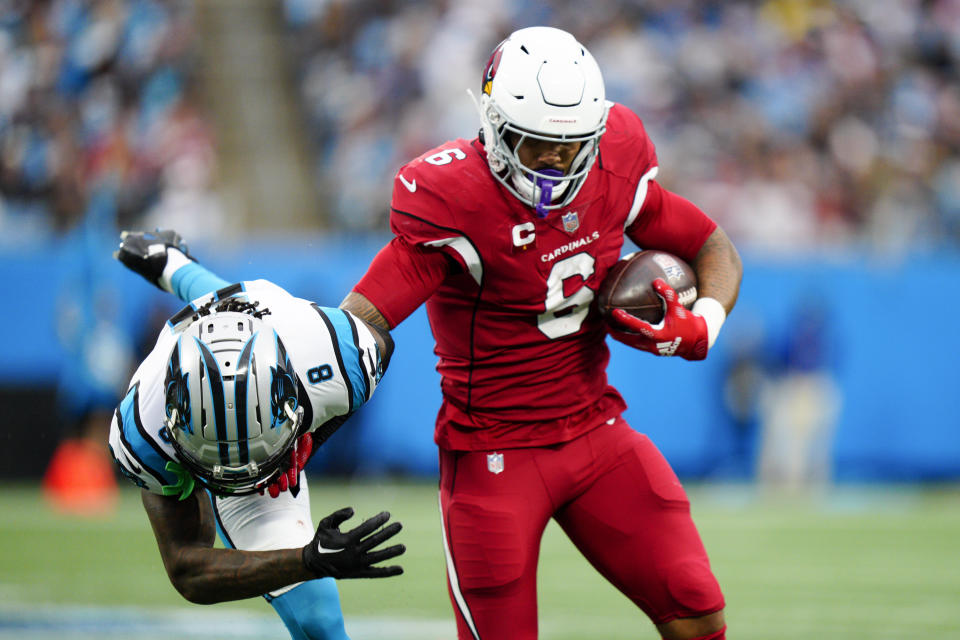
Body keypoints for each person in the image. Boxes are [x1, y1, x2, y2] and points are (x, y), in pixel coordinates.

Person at [340, 27, 743, 640]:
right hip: (491, 454)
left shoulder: (616, 160)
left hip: (596, 433)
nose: (557, 160)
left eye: (571, 145)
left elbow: (712, 245)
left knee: (695, 605)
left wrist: (705, 324)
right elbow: (361, 320)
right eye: (536, 145)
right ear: (495, 129)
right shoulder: (452, 195)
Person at [108, 230, 405, 640]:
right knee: (315, 612)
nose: (237, 471)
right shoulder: (142, 429)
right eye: (216, 454)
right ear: (174, 419)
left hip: (272, 327)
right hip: (233, 338)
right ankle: (169, 264)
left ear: (290, 397)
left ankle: (169, 264)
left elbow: (381, 343)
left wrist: (309, 441)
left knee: (319, 619)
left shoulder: (329, 354)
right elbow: (187, 568)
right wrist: (307, 559)